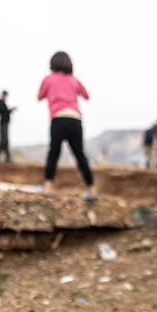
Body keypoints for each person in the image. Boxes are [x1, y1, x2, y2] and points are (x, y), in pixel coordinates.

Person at [37, 51, 97, 200]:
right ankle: (92, 190)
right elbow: (87, 96)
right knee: (80, 155)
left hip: (58, 118)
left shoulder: (48, 79)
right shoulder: (74, 80)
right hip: (75, 119)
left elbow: (39, 96)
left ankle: (47, 186)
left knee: (54, 153)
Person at [0, 90, 15, 162]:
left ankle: (7, 157)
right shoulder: (0, 102)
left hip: (5, 123)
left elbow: (6, 112)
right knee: (3, 140)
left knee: (5, 141)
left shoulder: (3, 103)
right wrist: (11, 109)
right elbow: (5, 111)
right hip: (3, 123)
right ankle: (0, 156)